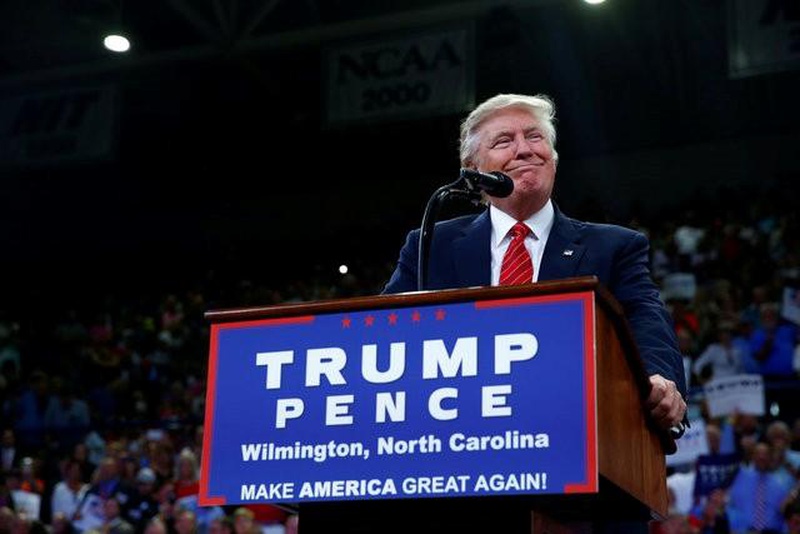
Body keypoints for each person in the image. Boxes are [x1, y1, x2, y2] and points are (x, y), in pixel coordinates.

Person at [382, 93, 688, 533]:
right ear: (473, 169)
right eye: (504, 140)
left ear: (553, 156)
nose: (524, 149)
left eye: (535, 137)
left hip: (583, 482)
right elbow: (382, 333)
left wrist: (660, 379)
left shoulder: (614, 247)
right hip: (457, 475)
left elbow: (645, 318)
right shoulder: (430, 244)